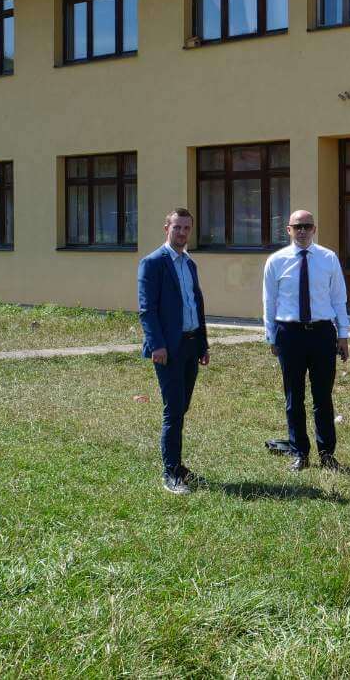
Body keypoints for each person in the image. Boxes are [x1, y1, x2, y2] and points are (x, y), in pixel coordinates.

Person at [263, 209, 350, 471]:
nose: (302, 231)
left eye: (307, 226)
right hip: (290, 334)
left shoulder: (328, 258)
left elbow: (339, 298)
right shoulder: (276, 261)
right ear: (288, 230)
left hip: (322, 333)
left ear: (314, 229)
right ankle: (300, 452)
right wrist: (271, 336)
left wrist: (343, 334)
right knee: (294, 397)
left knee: (323, 397)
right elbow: (269, 301)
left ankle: (327, 454)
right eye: (297, 226)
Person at [137, 207, 210, 495]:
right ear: (166, 228)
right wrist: (157, 344)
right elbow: (147, 309)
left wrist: (203, 344)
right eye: (177, 227)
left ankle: (177, 465)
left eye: (186, 228)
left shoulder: (189, 264)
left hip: (191, 344)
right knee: (174, 409)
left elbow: (196, 305)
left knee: (182, 407)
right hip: (168, 348)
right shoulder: (153, 263)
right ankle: (171, 472)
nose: (181, 232)